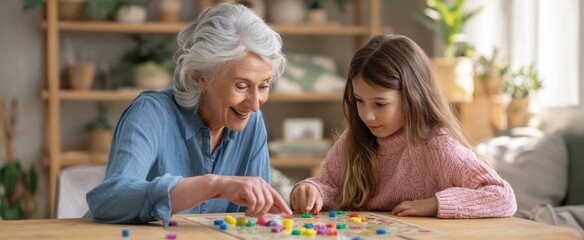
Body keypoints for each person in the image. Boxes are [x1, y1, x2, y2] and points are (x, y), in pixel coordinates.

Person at [86, 3, 292, 226]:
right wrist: (214, 185)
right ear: (201, 78)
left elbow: (254, 217)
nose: (254, 105)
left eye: (263, 86)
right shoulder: (152, 113)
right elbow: (107, 201)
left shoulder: (252, 122)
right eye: (241, 86)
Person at [289, 34, 517, 218]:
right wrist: (312, 190)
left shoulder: (437, 144)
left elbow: (501, 196)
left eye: (380, 104)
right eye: (359, 100)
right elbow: (332, 187)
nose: (367, 116)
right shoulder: (354, 137)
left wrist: (435, 204)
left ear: (413, 98)